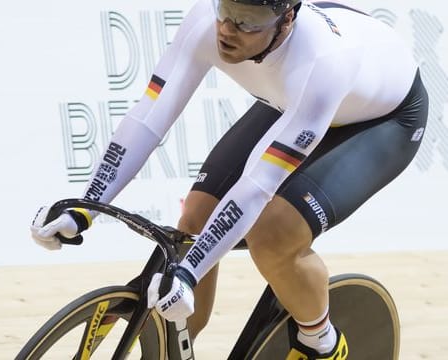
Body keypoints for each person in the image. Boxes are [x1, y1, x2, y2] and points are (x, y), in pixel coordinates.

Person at [31, 0, 429, 358]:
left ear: (286, 20)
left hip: (382, 120)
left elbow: (257, 186)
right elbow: (149, 118)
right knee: (194, 223)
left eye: (249, 19)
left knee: (273, 236)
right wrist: (85, 206)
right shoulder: (207, 20)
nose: (228, 28)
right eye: (226, 9)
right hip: (293, 103)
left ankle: (321, 342)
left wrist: (189, 275)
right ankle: (177, 343)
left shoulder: (321, 63)